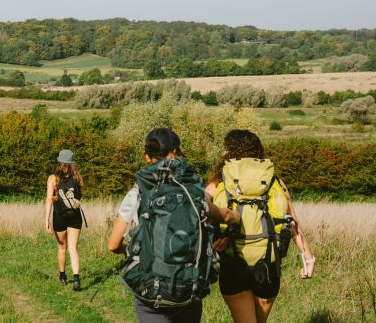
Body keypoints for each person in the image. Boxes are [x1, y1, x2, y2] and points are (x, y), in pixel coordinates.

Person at [107, 128, 241, 323]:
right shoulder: (193, 192)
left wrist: (135, 250)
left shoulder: (138, 193)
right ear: (176, 153)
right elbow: (224, 216)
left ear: (146, 156)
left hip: (150, 290)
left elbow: (113, 244)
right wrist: (238, 218)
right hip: (189, 288)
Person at [206, 129, 315, 323]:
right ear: (258, 152)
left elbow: (199, 216)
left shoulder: (218, 183)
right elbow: (293, 223)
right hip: (268, 263)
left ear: (229, 153)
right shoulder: (275, 182)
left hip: (232, 262)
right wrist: (307, 259)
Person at [44, 148, 84, 291]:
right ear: (72, 163)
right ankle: (77, 279)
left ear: (59, 162)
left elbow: (49, 200)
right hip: (75, 217)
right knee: (73, 248)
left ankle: (62, 276)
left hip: (59, 217)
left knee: (62, 247)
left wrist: (46, 221)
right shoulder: (78, 177)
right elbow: (80, 196)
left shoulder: (53, 178)